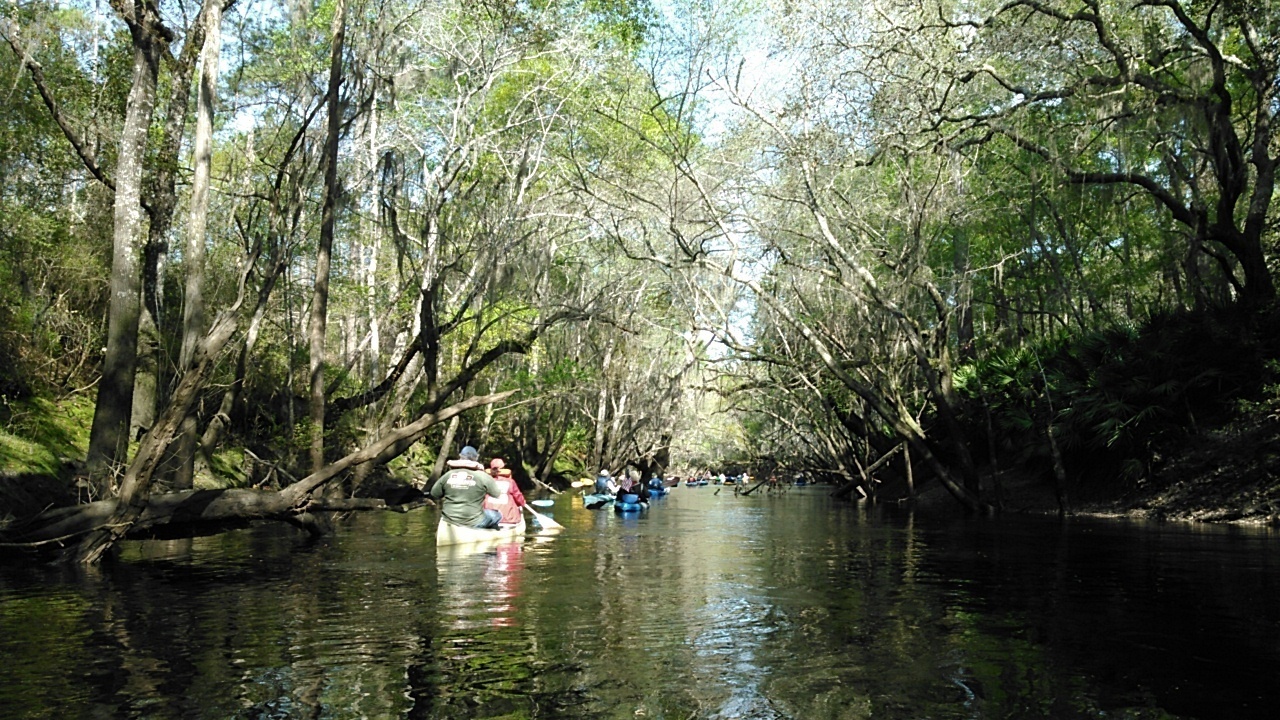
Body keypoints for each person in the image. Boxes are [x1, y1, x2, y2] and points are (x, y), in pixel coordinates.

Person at [430, 445, 501, 528]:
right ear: (475, 459)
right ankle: (486, 533)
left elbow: (434, 494)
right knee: (497, 515)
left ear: (460, 457)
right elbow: (497, 494)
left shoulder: (447, 475)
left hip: (449, 519)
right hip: (474, 521)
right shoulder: (483, 476)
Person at [484, 458, 528, 528]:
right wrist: (523, 503)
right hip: (509, 520)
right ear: (503, 468)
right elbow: (519, 499)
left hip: (490, 520)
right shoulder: (510, 482)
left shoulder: (485, 482)